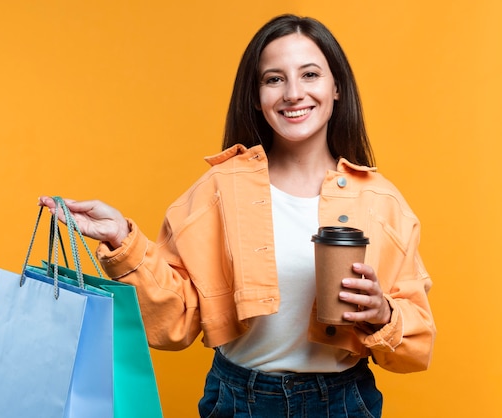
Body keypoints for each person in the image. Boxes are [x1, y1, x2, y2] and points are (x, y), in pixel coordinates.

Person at [39, 14, 435, 418]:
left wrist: (383, 314)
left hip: (343, 402)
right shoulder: (219, 189)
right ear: (256, 95)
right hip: (238, 400)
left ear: (337, 89)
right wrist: (121, 239)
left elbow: (416, 346)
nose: (293, 93)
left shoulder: (381, 200)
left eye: (310, 74)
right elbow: (175, 321)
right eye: (274, 79)